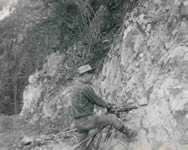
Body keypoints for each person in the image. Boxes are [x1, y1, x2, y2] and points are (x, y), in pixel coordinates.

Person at [71, 64, 137, 150]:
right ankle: (130, 134)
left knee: (82, 147)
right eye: (91, 74)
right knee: (111, 118)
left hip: (78, 123)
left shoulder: (76, 86)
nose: (92, 76)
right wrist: (108, 105)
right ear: (86, 75)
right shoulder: (86, 88)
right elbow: (96, 100)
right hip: (86, 120)